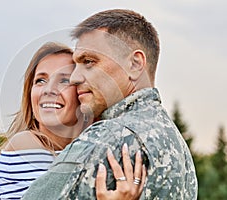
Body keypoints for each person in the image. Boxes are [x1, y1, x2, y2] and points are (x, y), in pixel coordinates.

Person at [22, 9, 198, 199]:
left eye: (89, 61)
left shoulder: (108, 138)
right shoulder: (175, 143)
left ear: (135, 64)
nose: (74, 78)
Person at [0, 42, 146, 200]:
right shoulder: (25, 145)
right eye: (40, 80)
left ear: (82, 93)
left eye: (64, 80)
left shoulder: (77, 151)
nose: (48, 90)